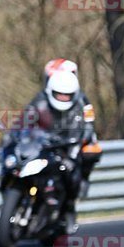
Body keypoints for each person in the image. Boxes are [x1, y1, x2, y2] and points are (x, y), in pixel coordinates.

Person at [24, 70, 101, 233]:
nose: (63, 98)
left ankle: (69, 206)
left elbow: (88, 125)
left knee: (73, 170)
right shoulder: (40, 100)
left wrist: (78, 142)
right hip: (45, 142)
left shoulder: (82, 103)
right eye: (59, 94)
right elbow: (27, 119)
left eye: (67, 95)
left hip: (70, 144)